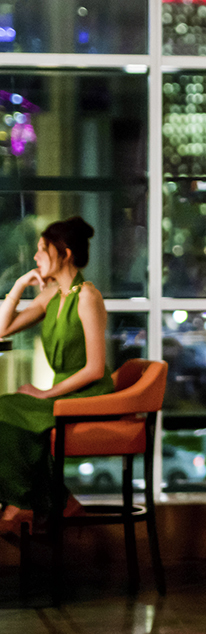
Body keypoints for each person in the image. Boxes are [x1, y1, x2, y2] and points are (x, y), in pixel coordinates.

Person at [0, 217, 112, 534]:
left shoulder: (87, 296)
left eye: (42, 249)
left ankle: (24, 503)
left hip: (88, 394)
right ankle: (58, 500)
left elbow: (95, 368)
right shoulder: (51, 295)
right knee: (7, 410)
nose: (36, 257)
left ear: (64, 253)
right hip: (62, 393)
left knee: (5, 409)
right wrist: (19, 285)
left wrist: (44, 393)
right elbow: (3, 329)